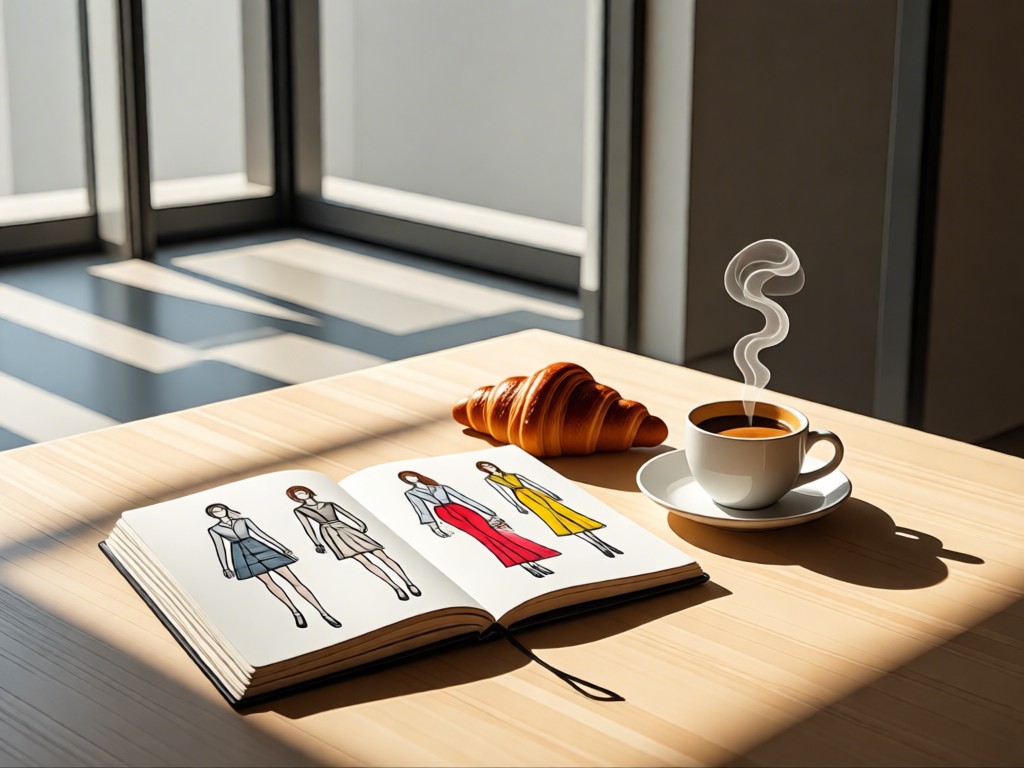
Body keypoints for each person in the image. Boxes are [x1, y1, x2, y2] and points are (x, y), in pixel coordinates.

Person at [398, 470, 559, 578]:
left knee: (494, 533)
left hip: (462, 509)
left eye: (411, 476)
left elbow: (465, 499)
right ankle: (527, 566)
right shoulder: (411, 493)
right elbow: (422, 510)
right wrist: (435, 528)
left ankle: (533, 562)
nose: (410, 479)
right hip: (445, 513)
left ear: (417, 475)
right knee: (483, 538)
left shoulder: (441, 487)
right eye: (406, 479)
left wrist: (489, 513)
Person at [206, 503, 341, 629]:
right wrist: (225, 567)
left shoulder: (244, 521)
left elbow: (262, 534)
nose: (218, 512)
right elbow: (220, 548)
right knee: (269, 583)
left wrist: (282, 548)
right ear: (212, 515)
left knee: (294, 581)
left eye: (220, 509)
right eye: (214, 512)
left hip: (260, 548)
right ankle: (295, 612)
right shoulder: (214, 529)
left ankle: (323, 612)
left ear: (225, 509)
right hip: (241, 555)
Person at [286, 486, 421, 601]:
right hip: (331, 534)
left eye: (301, 492)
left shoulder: (329, 504)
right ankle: (395, 587)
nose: (301, 495)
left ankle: (408, 582)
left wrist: (360, 523)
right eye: (297, 495)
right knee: (365, 562)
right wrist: (317, 543)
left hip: (346, 528)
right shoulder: (300, 510)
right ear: (296, 499)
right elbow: (307, 527)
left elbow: (347, 514)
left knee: (382, 555)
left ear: (308, 491)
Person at [475, 461, 623, 558]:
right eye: (486, 467)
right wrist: (517, 505)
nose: (490, 468)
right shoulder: (490, 480)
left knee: (569, 515)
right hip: (524, 497)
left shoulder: (514, 475)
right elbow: (504, 492)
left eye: (490, 465)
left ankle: (605, 544)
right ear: (484, 470)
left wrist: (551, 494)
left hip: (537, 494)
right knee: (556, 520)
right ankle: (599, 546)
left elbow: (533, 484)